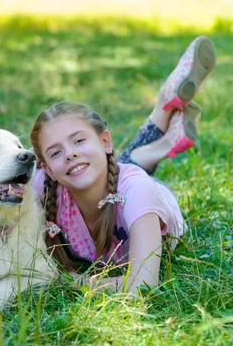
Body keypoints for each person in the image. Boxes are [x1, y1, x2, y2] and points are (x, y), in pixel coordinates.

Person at [28, 36, 216, 293]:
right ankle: (160, 143)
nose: (70, 154)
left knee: (125, 174)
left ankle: (163, 110)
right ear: (47, 167)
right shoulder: (44, 185)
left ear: (106, 141)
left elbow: (143, 284)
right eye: (56, 152)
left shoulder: (138, 191)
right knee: (112, 168)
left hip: (143, 190)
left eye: (79, 140)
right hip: (111, 174)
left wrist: (77, 282)